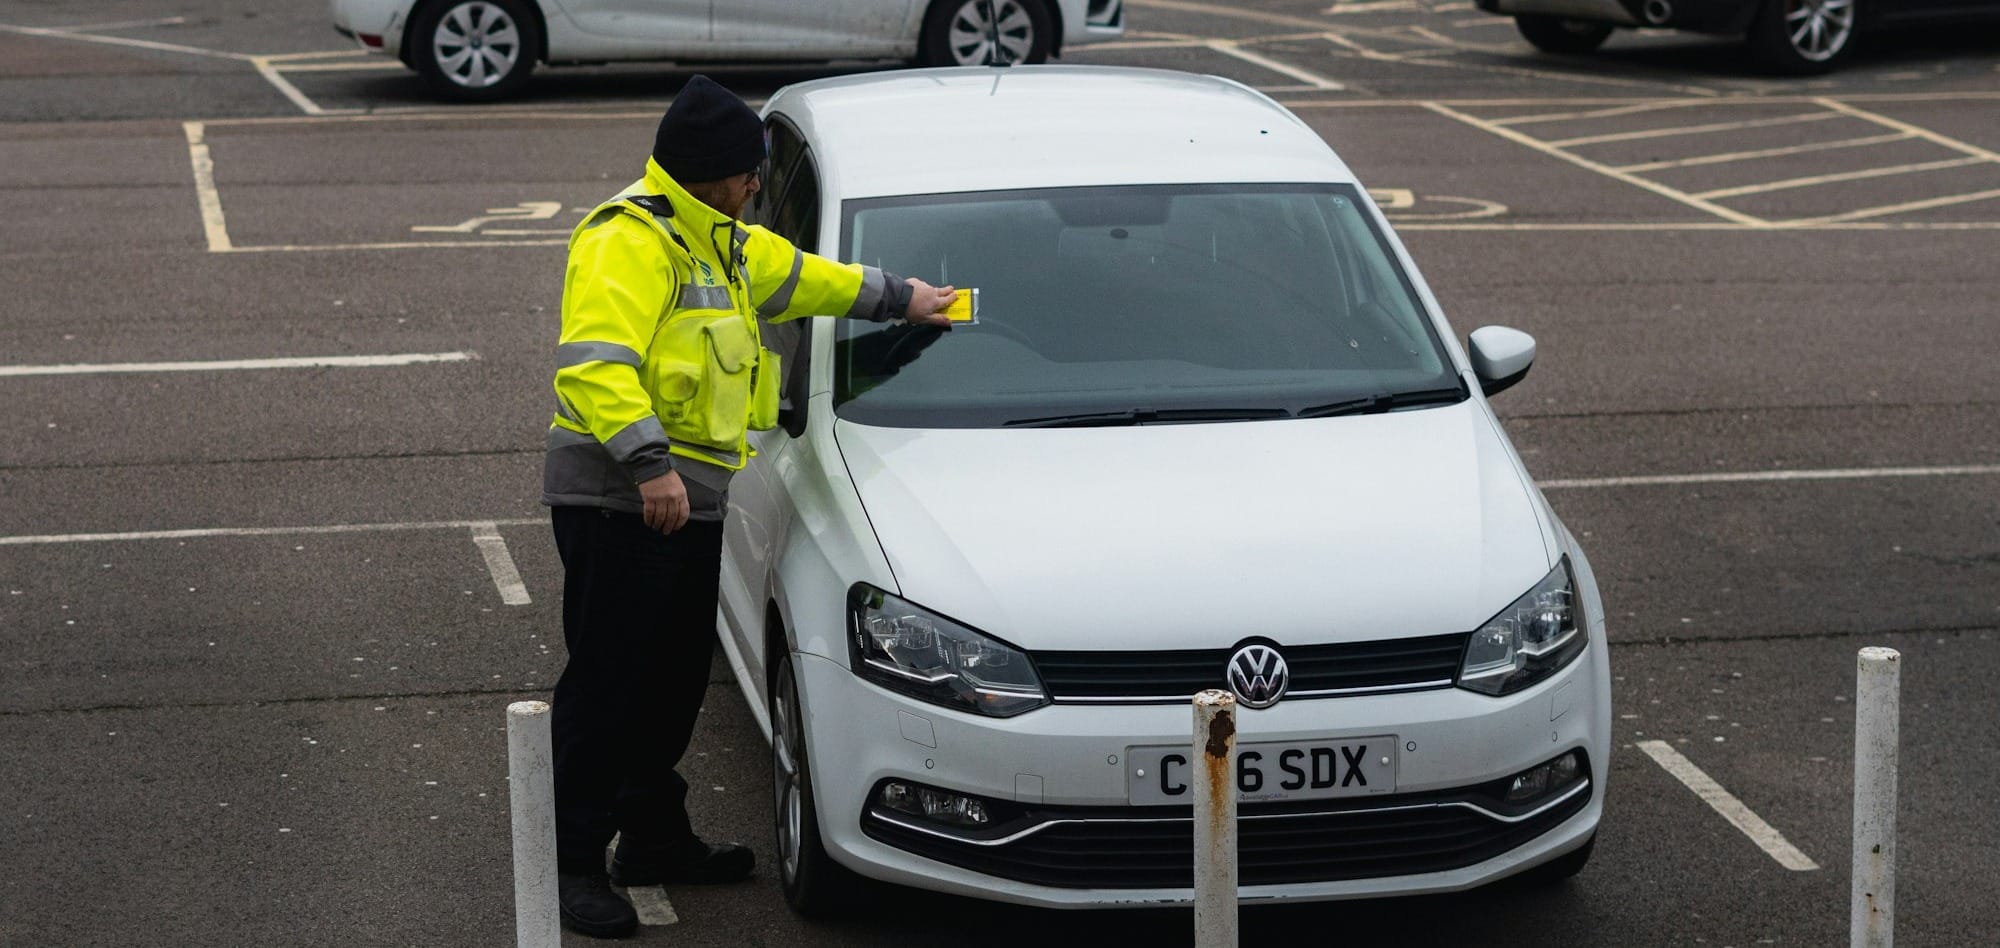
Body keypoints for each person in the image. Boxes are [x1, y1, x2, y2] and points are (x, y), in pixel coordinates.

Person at [541, 74, 957, 939]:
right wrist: (648, 467)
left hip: (685, 503)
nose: (758, 186)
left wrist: (905, 299)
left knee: (668, 686)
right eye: (747, 174)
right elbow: (594, 366)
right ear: (706, 175)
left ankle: (652, 839)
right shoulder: (630, 241)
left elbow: (807, 277)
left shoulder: (722, 239)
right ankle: (574, 864)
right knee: (609, 686)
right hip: (622, 501)